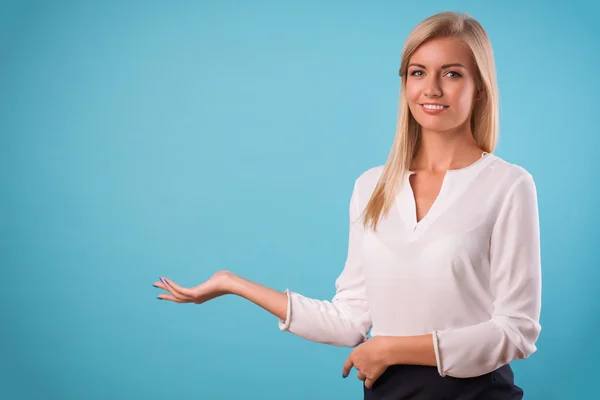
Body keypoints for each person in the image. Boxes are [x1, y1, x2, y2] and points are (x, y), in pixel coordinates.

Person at [153, 11, 541, 400]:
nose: (432, 89)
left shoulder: (507, 185)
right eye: (418, 73)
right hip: (388, 393)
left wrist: (391, 348)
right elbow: (349, 320)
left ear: (480, 90)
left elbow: (516, 330)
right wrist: (232, 283)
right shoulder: (372, 187)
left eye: (452, 73)